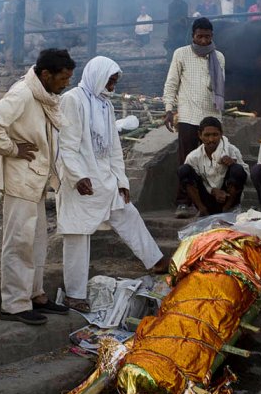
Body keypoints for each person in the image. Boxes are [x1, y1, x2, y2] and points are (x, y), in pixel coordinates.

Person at [56, 56, 168, 313]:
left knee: (128, 213)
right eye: (111, 81)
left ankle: (155, 261)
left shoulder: (105, 105)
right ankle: (74, 294)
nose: (113, 87)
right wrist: (76, 176)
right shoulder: (73, 100)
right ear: (98, 76)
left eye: (115, 82)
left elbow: (114, 149)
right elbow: (67, 145)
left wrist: (122, 181)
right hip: (81, 181)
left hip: (105, 178)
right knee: (77, 234)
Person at [0, 49, 76, 326]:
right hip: (21, 178)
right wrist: (11, 148)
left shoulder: (42, 95)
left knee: (36, 242)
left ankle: (35, 295)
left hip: (35, 180)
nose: (65, 83)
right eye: (63, 78)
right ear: (46, 74)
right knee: (19, 242)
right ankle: (13, 304)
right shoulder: (23, 92)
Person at [163, 17, 226, 218]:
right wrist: (169, 108)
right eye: (199, 36)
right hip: (189, 116)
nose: (203, 41)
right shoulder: (181, 54)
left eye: (207, 37)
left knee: (214, 161)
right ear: (193, 36)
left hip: (212, 117)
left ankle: (211, 201)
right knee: (187, 161)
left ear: (212, 36)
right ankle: (183, 202)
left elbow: (220, 87)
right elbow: (172, 82)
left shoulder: (219, 57)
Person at [178, 116, 249, 216]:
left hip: (227, 198)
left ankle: (227, 209)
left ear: (221, 134)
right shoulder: (193, 156)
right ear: (200, 135)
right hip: (206, 199)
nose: (211, 139)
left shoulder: (232, 150)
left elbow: (246, 177)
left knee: (237, 169)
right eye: (207, 135)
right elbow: (191, 180)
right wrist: (212, 191)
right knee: (184, 170)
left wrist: (233, 163)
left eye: (215, 135)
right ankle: (202, 210)